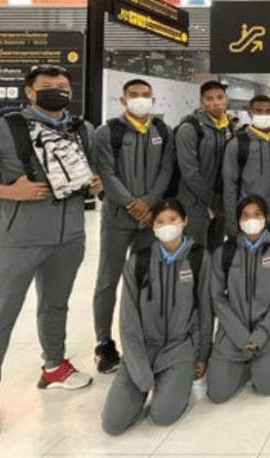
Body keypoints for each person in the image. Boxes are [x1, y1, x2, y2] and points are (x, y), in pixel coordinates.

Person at [0, 65, 101, 442]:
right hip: (18, 239)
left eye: (63, 87)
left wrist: (94, 181)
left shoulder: (83, 130)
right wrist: (8, 191)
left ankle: (54, 366)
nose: (57, 93)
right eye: (47, 87)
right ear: (30, 92)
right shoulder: (2, 129)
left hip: (70, 236)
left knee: (56, 305)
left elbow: (90, 172)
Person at [101, 200, 212, 435]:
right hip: (143, 348)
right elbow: (127, 320)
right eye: (160, 222)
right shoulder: (138, 262)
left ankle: (174, 384)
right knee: (112, 423)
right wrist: (140, 371)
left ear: (184, 221)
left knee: (163, 416)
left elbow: (205, 309)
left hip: (179, 348)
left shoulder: (198, 258)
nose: (167, 226)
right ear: (152, 226)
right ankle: (145, 385)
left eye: (173, 220)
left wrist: (202, 355)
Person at [92, 78, 175, 374]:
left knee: (146, 280)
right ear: (123, 100)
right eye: (134, 95)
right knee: (107, 281)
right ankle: (104, 343)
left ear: (153, 99)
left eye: (146, 95)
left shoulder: (162, 132)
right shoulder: (107, 133)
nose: (140, 99)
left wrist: (150, 202)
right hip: (118, 218)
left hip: (150, 220)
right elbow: (106, 172)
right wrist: (132, 204)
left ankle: (144, 335)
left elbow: (166, 171)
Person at [207, 195, 270, 403]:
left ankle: (261, 359)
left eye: (257, 214)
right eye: (245, 216)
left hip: (266, 331)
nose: (251, 220)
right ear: (238, 220)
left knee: (266, 387)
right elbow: (217, 297)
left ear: (267, 218)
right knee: (217, 394)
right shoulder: (224, 253)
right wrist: (240, 336)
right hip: (231, 332)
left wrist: (261, 334)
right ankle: (240, 362)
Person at [175, 80, 235, 249]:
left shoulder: (229, 127)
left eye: (220, 97)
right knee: (195, 252)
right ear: (201, 102)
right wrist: (213, 201)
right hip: (194, 202)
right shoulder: (189, 128)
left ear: (226, 99)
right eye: (209, 99)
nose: (216, 103)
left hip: (221, 203)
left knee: (215, 251)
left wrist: (225, 200)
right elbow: (190, 173)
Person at [222, 95, 270, 238]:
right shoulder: (237, 144)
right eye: (259, 111)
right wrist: (232, 223)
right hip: (249, 216)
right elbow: (229, 187)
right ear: (250, 112)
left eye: (268, 111)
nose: (264, 114)